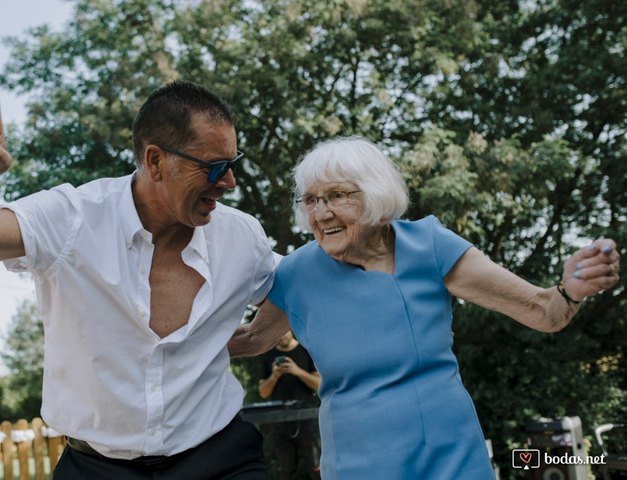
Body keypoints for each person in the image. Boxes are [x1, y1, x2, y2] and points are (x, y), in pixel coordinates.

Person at [0, 81, 280, 479]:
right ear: (155, 161)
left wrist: (261, 336)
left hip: (220, 460)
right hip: (95, 468)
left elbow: (296, 282)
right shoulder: (69, 219)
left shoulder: (241, 236)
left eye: (232, 163)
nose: (229, 182)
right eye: (213, 167)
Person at [228, 136, 621, 479]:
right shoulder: (298, 273)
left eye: (337, 195)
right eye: (311, 200)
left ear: (375, 196)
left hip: (451, 456)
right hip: (358, 463)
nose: (321, 212)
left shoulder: (429, 245)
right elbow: (250, 340)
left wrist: (572, 289)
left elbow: (543, 311)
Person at [259, 330, 321, 480]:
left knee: (317, 467)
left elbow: (319, 384)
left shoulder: (306, 351)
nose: (281, 336)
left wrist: (297, 371)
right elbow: (263, 392)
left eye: (284, 331)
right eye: (278, 333)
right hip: (280, 422)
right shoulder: (268, 356)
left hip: (307, 419)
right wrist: (275, 375)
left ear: (289, 328)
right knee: (287, 471)